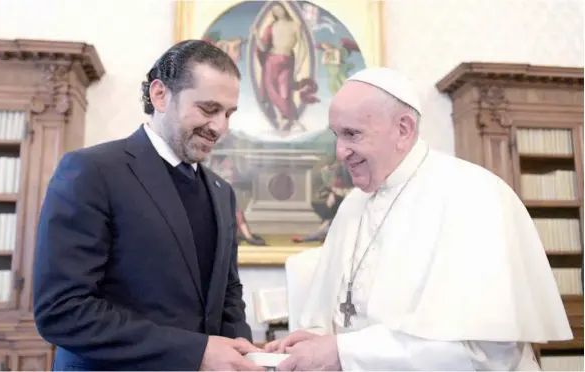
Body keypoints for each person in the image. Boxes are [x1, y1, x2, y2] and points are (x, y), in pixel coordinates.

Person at [264, 67, 573, 370]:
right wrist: (316, 339)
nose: (340, 152)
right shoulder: (353, 206)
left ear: (404, 129)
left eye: (352, 134)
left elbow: (485, 352)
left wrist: (342, 352)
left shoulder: (474, 195)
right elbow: (342, 317)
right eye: (336, 135)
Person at [33, 40, 264, 371]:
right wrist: (196, 352)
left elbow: (228, 296)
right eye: (208, 109)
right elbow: (63, 311)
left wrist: (243, 353)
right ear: (160, 95)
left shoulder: (221, 192)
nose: (220, 127)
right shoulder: (92, 171)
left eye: (228, 113)